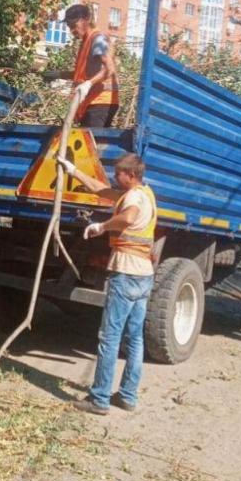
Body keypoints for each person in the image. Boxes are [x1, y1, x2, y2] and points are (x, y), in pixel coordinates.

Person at [57, 150, 155, 415]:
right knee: (134, 338)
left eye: (118, 174)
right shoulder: (144, 193)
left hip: (126, 272)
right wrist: (73, 171)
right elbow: (101, 190)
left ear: (131, 175)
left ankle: (99, 399)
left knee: (109, 337)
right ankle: (128, 396)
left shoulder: (133, 198)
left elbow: (128, 217)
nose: (114, 177)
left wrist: (101, 227)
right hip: (144, 274)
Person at [44, 3, 119, 128]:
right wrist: (58, 74)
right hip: (94, 102)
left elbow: (109, 69)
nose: (72, 31)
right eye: (69, 27)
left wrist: (89, 84)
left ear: (86, 19)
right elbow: (83, 75)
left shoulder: (98, 39)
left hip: (100, 101)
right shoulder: (86, 41)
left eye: (74, 26)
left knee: (87, 140)